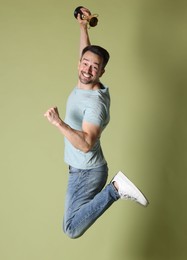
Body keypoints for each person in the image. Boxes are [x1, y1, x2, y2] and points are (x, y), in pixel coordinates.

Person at [44, 7, 148, 239]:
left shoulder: (95, 104)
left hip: (87, 171)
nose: (87, 69)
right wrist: (83, 27)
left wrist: (59, 123)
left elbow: (86, 144)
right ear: (79, 62)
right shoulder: (85, 81)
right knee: (69, 225)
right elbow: (86, 53)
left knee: (71, 229)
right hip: (80, 169)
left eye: (94, 67)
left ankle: (115, 189)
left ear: (102, 71)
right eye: (85, 63)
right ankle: (115, 188)